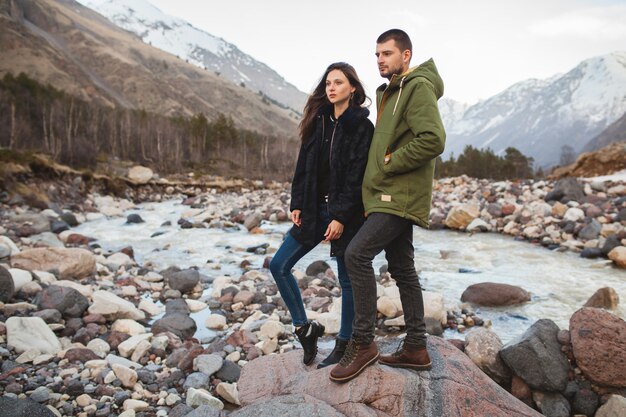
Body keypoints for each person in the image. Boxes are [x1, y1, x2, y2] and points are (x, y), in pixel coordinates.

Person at [330, 29, 446, 383]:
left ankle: (363, 344)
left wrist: (389, 162)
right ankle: (416, 347)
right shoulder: (390, 92)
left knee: (356, 255)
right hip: (387, 195)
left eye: (387, 54)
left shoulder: (417, 87)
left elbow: (433, 139)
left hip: (398, 196)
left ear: (406, 55)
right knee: (402, 267)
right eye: (377, 54)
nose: (379, 60)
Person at [269, 62, 374, 368]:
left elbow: (358, 176)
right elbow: (303, 166)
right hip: (314, 209)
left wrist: (340, 216)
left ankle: (344, 343)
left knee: (347, 279)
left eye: (338, 82)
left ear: (352, 88)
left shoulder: (362, 126)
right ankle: (304, 328)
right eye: (328, 82)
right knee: (279, 265)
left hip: (345, 213)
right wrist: (297, 203)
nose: (330, 87)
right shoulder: (319, 121)